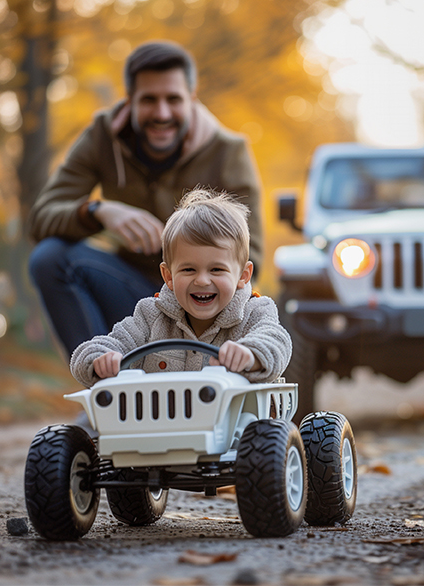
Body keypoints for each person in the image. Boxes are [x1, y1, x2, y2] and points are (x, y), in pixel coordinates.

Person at [27, 40, 264, 358]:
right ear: (130, 100)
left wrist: (198, 291)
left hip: (201, 304)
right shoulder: (102, 137)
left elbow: (251, 255)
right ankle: (101, 378)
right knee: (49, 258)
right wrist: (98, 211)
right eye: (149, 100)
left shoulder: (227, 151)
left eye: (173, 99)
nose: (162, 113)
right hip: (131, 292)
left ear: (192, 98)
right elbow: (41, 217)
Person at [69, 188, 290, 387]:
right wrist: (101, 359)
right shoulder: (151, 316)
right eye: (188, 270)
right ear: (169, 276)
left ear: (243, 275)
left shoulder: (254, 312)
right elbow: (106, 345)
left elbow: (277, 341)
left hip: (237, 419)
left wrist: (251, 355)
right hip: (161, 418)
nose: (202, 280)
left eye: (216, 270)